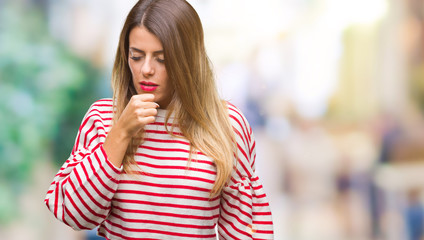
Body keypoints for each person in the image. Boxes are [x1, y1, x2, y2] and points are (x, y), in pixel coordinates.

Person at [44, 0, 274, 239]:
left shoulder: (227, 124)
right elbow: (75, 215)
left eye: (161, 59)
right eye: (136, 56)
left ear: (189, 60)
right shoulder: (103, 118)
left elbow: (247, 229)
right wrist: (120, 134)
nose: (146, 69)